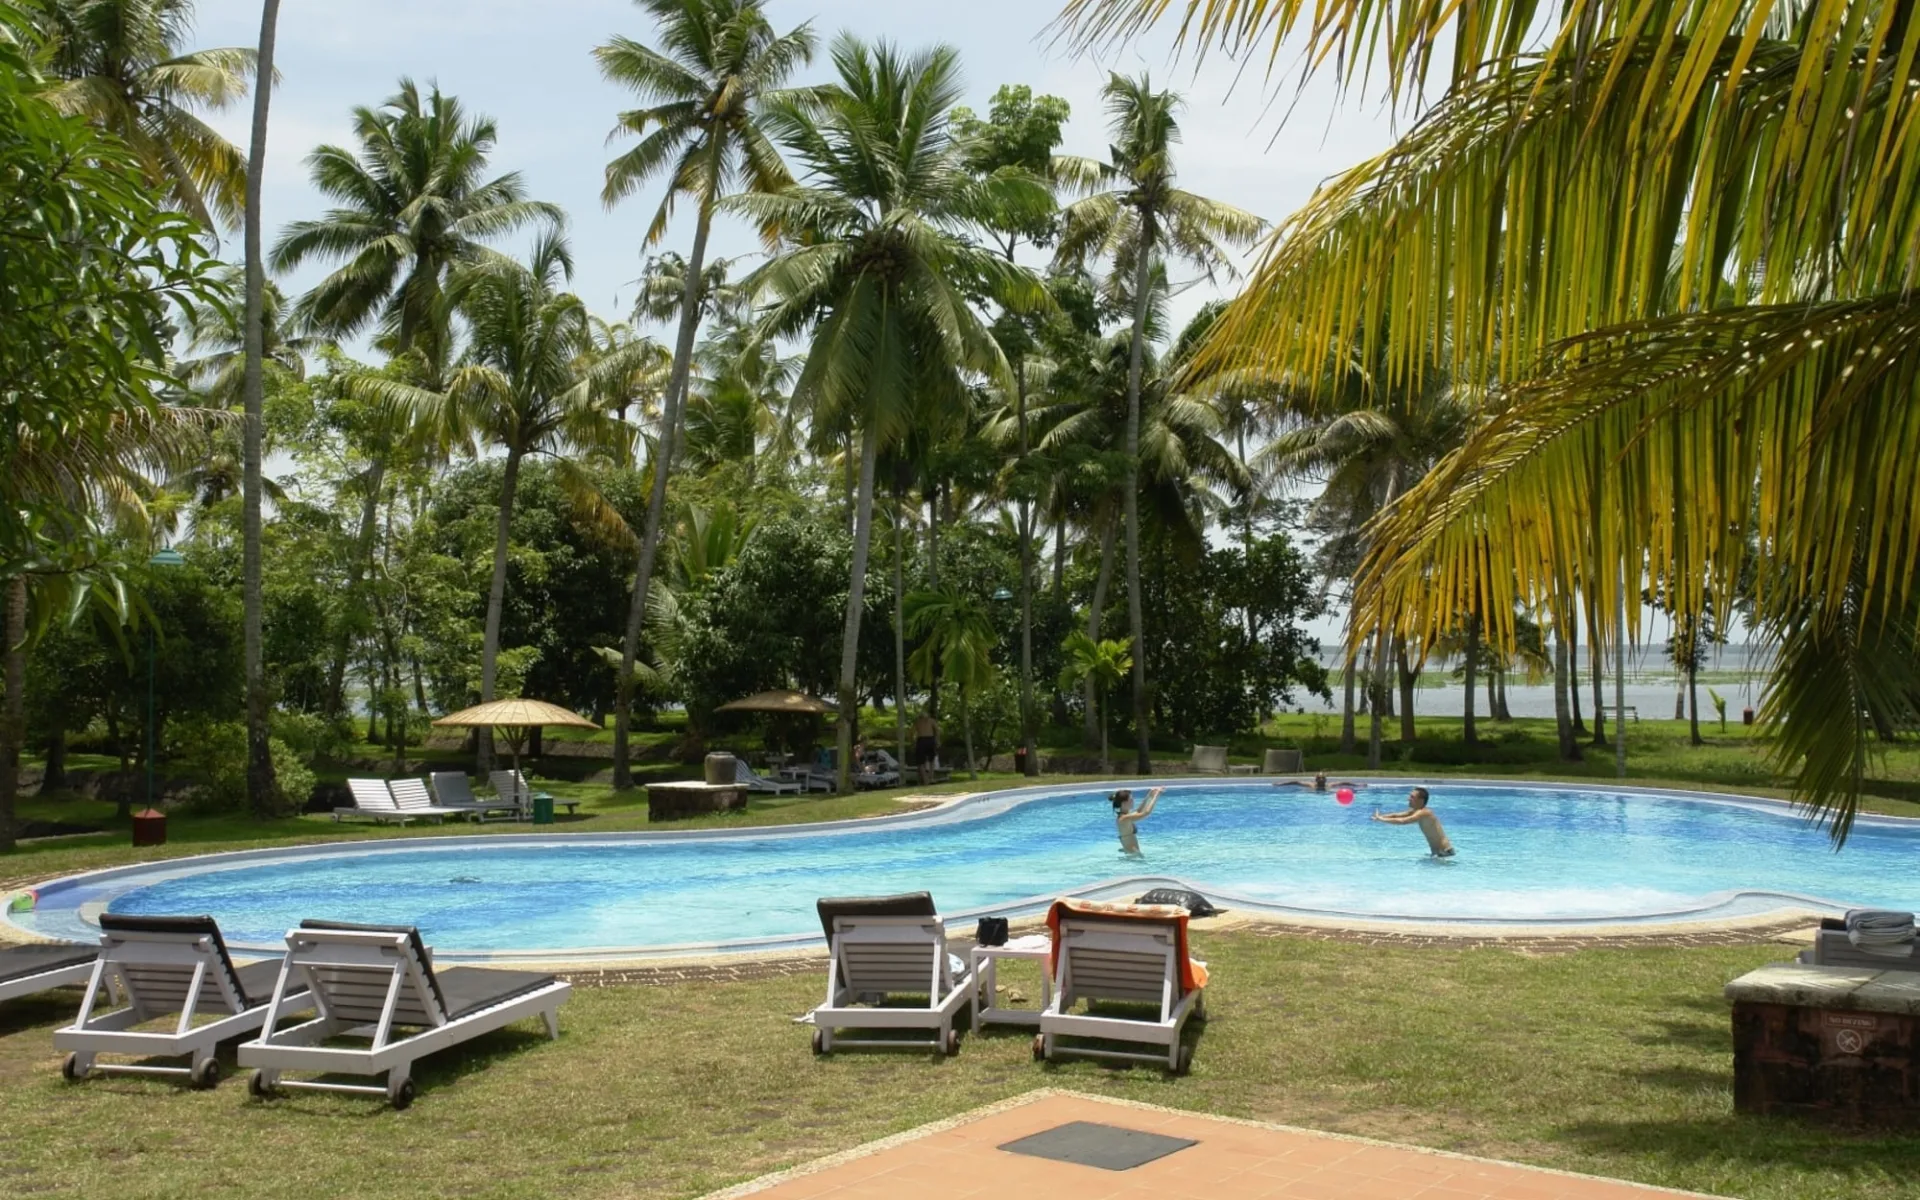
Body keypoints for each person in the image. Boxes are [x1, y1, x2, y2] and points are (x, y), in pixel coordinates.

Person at [1371, 787, 1455, 857]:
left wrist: (1381, 819)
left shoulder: (1425, 812)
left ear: (1421, 800)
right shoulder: (1415, 811)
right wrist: (1380, 816)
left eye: (1412, 797)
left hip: (1445, 853)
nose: (1408, 799)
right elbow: (1396, 815)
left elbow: (1403, 821)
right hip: (1438, 853)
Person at [1112, 786, 1163, 856]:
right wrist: (1156, 795)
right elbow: (1146, 813)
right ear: (1124, 803)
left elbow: (1138, 811)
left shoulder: (1123, 817)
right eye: (1131, 799)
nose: (1133, 801)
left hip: (1132, 855)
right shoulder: (1124, 818)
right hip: (1133, 857)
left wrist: (1149, 795)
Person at [912, 710, 939, 785]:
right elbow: (937, 730)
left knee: (921, 762)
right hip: (929, 739)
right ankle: (930, 778)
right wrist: (937, 740)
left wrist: (913, 742)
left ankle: (926, 779)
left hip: (922, 740)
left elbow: (912, 733)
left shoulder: (918, 722)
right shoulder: (931, 721)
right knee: (931, 760)